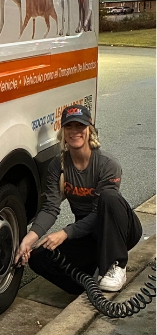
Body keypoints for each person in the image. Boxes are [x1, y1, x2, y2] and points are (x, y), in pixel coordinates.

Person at [15, 104, 142, 295]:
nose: (75, 131)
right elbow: (50, 208)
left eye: (80, 126)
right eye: (69, 127)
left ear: (89, 130)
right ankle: (88, 285)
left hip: (118, 230)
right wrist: (29, 238)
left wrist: (65, 233)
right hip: (88, 235)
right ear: (63, 132)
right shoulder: (56, 167)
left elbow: (99, 212)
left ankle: (116, 263)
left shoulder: (107, 164)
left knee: (109, 197)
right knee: (38, 258)